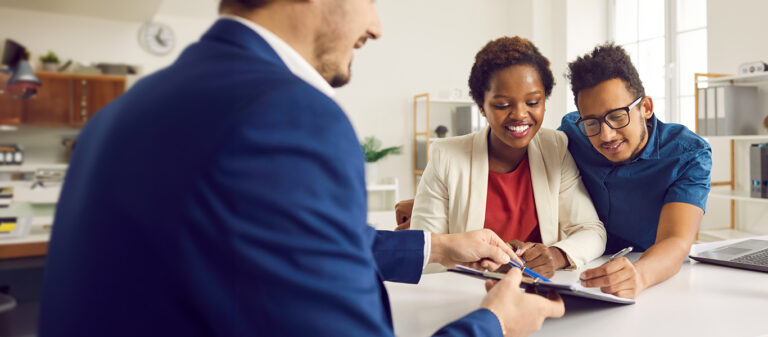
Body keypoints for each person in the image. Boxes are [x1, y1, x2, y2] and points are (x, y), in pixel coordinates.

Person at [38, 1, 564, 336]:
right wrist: (494, 325)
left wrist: (440, 246)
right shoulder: (287, 114)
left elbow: (260, 238)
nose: (376, 26)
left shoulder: (122, 111)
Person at [408, 36, 606, 277]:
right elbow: (423, 254)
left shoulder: (554, 147)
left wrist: (555, 255)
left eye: (533, 102)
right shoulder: (446, 156)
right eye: (502, 105)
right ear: (482, 105)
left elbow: (592, 231)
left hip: (538, 294)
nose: (520, 115)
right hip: (469, 298)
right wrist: (485, 264)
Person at [559, 42, 712, 299]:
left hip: (650, 273)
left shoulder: (689, 154)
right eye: (592, 122)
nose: (606, 135)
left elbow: (675, 240)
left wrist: (639, 276)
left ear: (646, 108)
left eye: (618, 116)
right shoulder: (572, 131)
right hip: (579, 268)